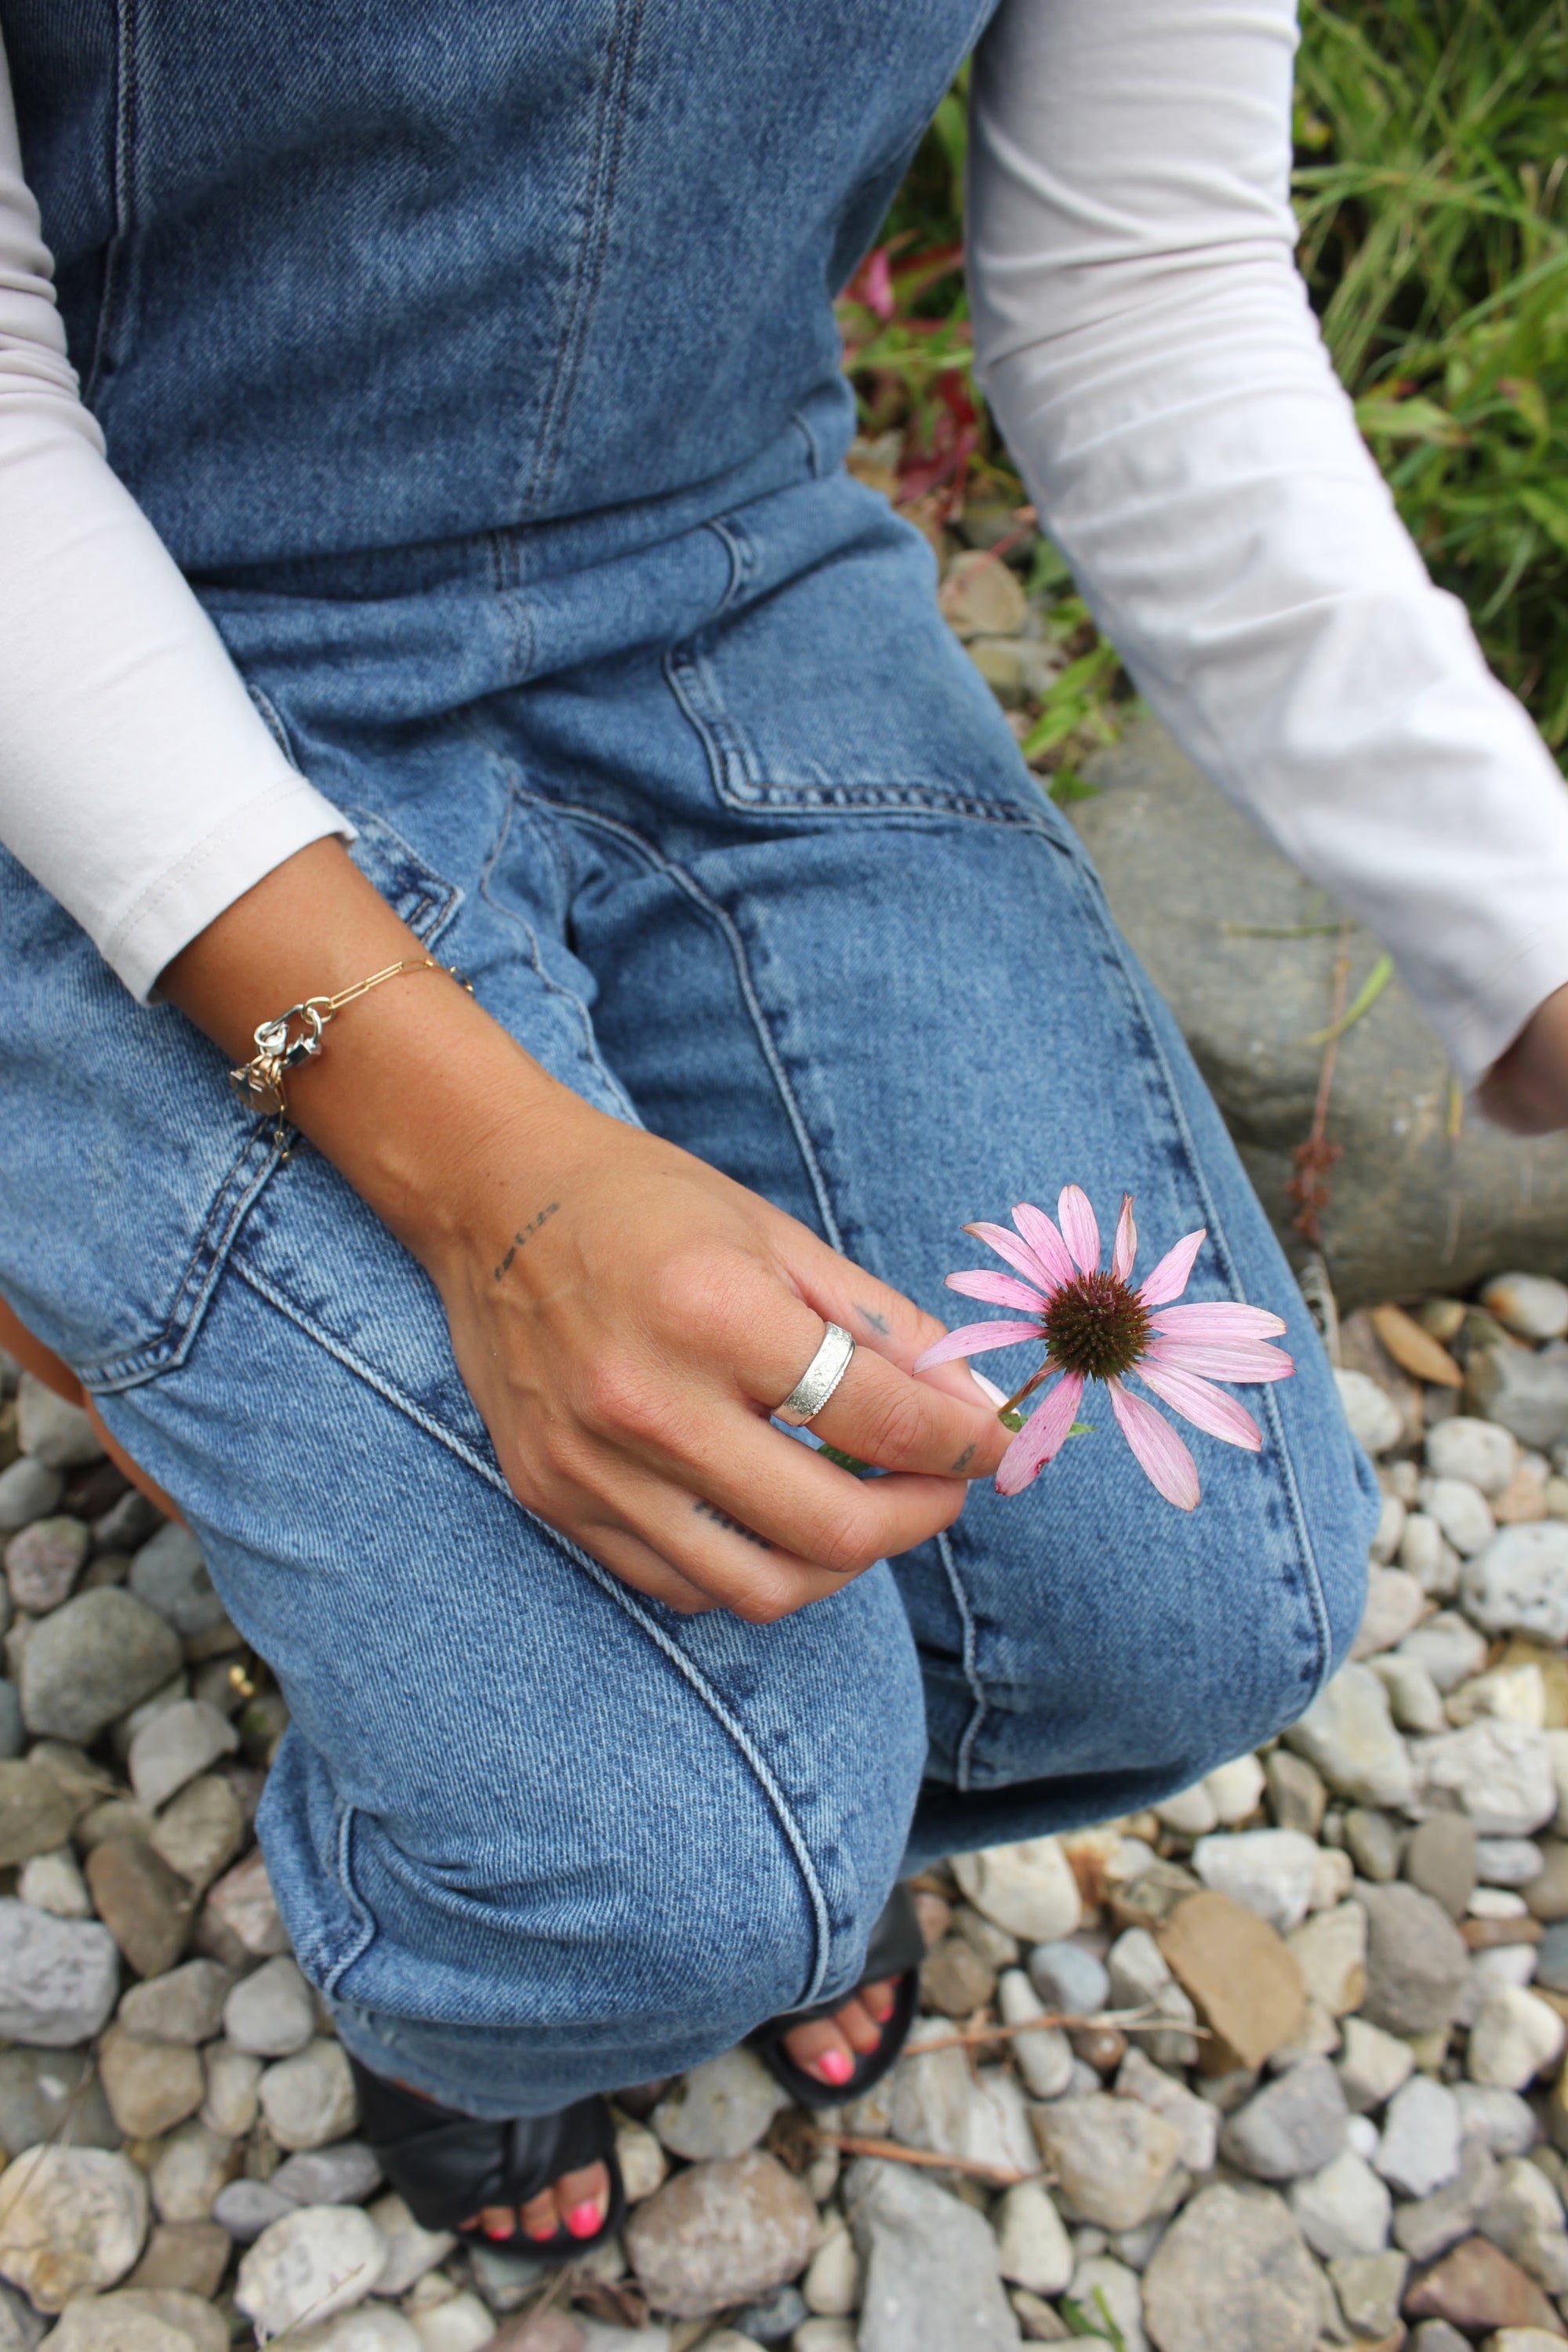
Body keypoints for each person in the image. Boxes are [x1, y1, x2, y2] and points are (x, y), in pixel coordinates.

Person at [2, 0, 1565, 2249]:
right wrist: (498, 1187)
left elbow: (1149, 282)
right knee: (659, 1878)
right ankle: (466, 1987)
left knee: (1204, 1602)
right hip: (111, 638)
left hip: (716, 581)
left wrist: (1531, 934)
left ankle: (769, 1806)